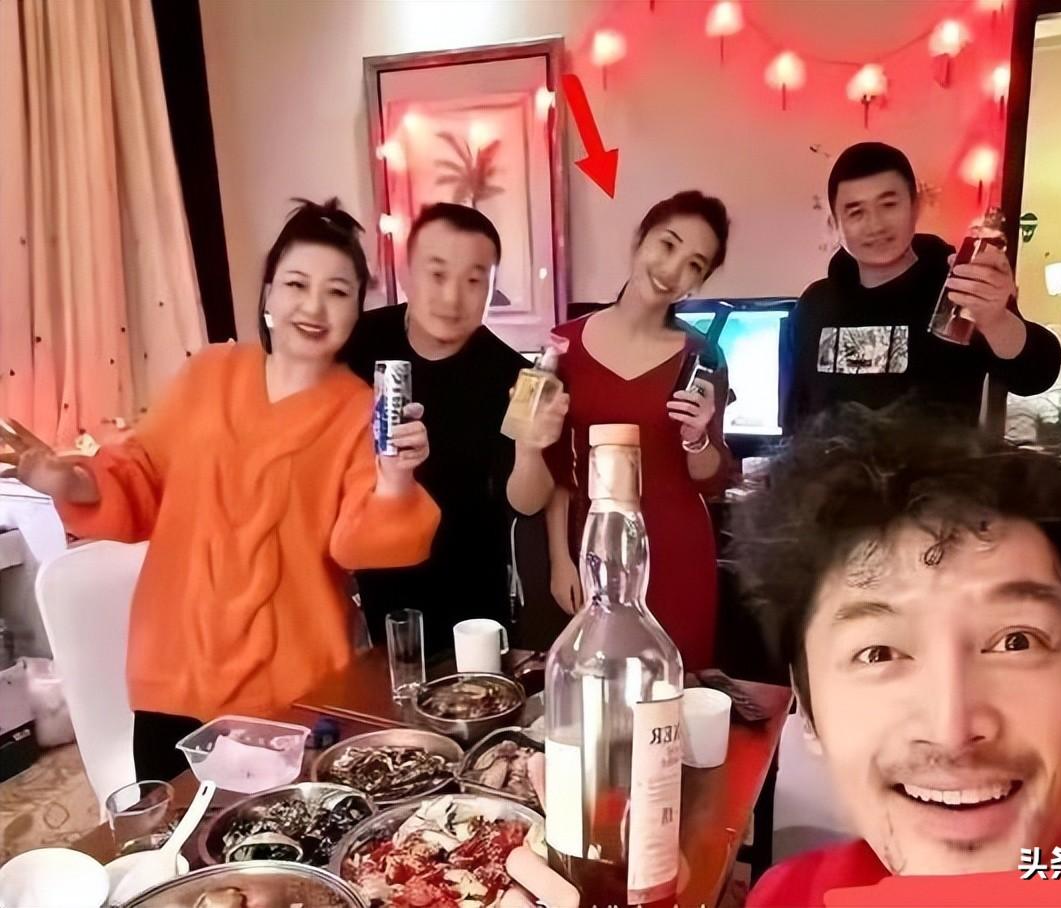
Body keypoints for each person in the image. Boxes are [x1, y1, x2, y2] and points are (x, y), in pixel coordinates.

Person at [501, 405, 1061, 906]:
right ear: (808, 717)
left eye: (1016, 640)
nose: (951, 726)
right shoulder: (791, 897)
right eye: (878, 651)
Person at [0, 199, 439, 781]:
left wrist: (394, 480)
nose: (313, 306)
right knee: (168, 830)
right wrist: (69, 480)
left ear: (357, 309)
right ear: (268, 296)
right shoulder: (208, 375)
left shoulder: (363, 412)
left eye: (337, 291)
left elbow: (360, 544)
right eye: (296, 284)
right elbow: (139, 476)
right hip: (174, 672)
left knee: (278, 836)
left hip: (291, 689)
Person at [342, 203, 567, 652]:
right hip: (369, 588)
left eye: (473, 280)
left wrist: (529, 447)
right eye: (438, 274)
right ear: (407, 272)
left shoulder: (510, 374)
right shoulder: (358, 342)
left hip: (471, 596)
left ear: (491, 287)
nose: (451, 298)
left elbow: (525, 501)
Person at [543, 190, 732, 671]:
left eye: (694, 265)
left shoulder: (703, 356)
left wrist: (698, 438)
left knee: (676, 696)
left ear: (699, 281)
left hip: (678, 555)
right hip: (595, 553)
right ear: (640, 239)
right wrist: (560, 559)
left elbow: (712, 476)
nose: (672, 270)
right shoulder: (564, 345)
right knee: (596, 690)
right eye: (667, 245)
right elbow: (554, 468)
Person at [782, 142, 1060, 433]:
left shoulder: (959, 290)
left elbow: (1035, 375)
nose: (875, 225)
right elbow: (795, 416)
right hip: (829, 463)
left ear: (915, 206)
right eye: (856, 212)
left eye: (888, 205)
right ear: (835, 224)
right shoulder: (815, 305)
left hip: (940, 463)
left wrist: (996, 320)